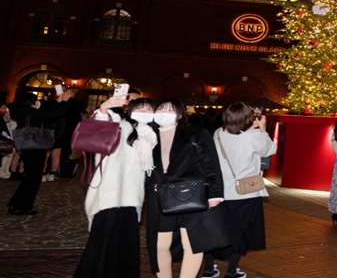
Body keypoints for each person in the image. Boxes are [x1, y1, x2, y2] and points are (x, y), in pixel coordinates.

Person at [74, 95, 158, 278]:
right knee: (102, 241)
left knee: (125, 242)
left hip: (132, 196)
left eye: (148, 109)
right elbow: (101, 127)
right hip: (109, 193)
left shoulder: (150, 134)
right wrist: (104, 108)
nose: (144, 113)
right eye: (140, 108)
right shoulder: (122, 126)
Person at [145, 98, 227, 278]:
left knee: (192, 243)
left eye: (170, 109)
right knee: (159, 244)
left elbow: (211, 163)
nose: (164, 112)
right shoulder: (149, 136)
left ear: (180, 115)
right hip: (161, 198)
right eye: (161, 108)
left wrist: (215, 193)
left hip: (191, 194)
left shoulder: (195, 133)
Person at [202, 102, 277, 278]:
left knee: (214, 230)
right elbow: (270, 149)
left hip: (220, 192)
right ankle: (231, 271)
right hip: (245, 192)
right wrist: (263, 128)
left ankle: (208, 268)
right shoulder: (253, 136)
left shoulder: (218, 133)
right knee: (241, 232)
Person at [7, 90, 73, 215]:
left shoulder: (22, 113)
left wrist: (58, 100)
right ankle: (22, 207)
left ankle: (15, 204)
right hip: (36, 149)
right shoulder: (34, 115)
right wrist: (64, 101)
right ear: (32, 103)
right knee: (33, 179)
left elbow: (48, 110)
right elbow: (56, 114)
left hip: (26, 148)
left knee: (29, 178)